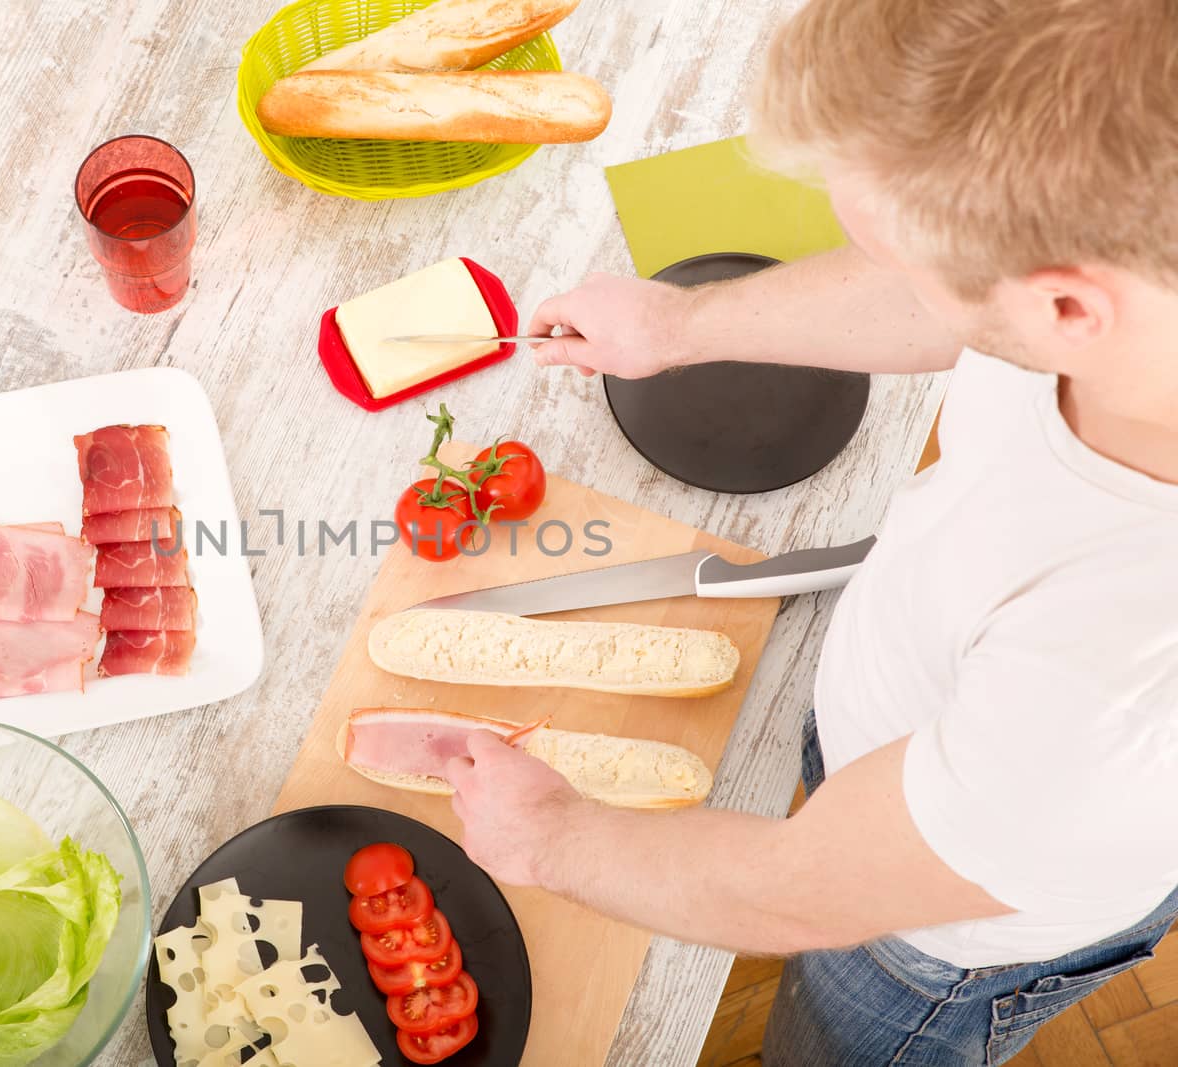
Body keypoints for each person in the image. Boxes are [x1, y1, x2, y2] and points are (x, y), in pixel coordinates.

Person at [440, 0, 1178, 1062]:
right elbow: (953, 297)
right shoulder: (1124, 243)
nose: (895, 272)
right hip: (911, 746)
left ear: (1063, 308)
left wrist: (550, 833)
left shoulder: (1103, 701)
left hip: (925, 951)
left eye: (903, 253)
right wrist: (684, 325)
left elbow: (802, 891)